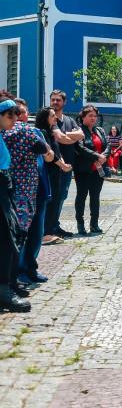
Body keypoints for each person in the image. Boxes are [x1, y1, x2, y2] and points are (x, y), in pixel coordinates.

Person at [6, 99, 54, 289]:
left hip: (38, 188)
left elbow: (50, 156)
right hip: (22, 190)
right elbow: (47, 153)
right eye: (20, 112)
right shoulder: (26, 132)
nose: (23, 115)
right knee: (21, 233)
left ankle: (30, 268)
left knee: (36, 232)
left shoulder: (35, 132)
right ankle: (18, 273)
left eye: (24, 112)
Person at [23, 107, 71, 281]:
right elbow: (48, 155)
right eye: (52, 116)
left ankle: (49, 230)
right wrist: (61, 165)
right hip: (47, 173)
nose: (55, 118)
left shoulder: (49, 132)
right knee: (46, 207)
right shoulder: (40, 132)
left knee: (55, 201)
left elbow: (55, 151)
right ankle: (47, 233)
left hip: (53, 173)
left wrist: (62, 162)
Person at [0, 98, 29, 312]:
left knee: (14, 235)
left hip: (5, 187)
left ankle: (8, 285)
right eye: (9, 115)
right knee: (7, 240)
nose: (14, 120)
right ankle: (4, 290)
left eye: (15, 115)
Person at [44, 90, 84, 240]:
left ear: (64, 102)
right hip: (53, 166)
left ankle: (55, 225)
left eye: (58, 100)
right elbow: (60, 139)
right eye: (53, 100)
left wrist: (67, 136)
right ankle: (48, 228)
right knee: (52, 197)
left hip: (68, 165)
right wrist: (70, 136)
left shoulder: (69, 120)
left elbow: (81, 135)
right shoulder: (49, 119)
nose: (55, 103)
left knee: (61, 196)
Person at [71, 105, 110, 235]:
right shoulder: (78, 130)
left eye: (95, 116)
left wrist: (103, 156)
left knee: (95, 197)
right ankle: (80, 225)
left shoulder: (100, 130)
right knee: (81, 196)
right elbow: (80, 148)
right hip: (83, 170)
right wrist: (96, 156)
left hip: (98, 170)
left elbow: (107, 145)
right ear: (83, 117)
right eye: (90, 116)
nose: (93, 118)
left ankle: (94, 224)